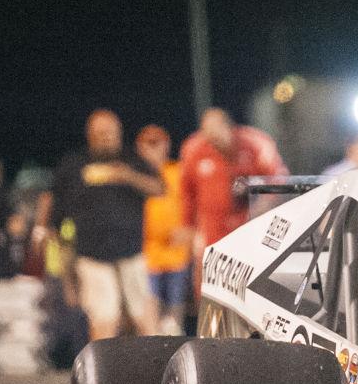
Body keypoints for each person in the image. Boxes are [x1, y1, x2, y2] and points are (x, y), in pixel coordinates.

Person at [45, 109, 164, 340]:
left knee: (144, 319)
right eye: (100, 133)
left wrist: (128, 176)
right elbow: (56, 215)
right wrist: (67, 273)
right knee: (104, 319)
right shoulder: (74, 165)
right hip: (93, 256)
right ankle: (102, 372)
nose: (106, 138)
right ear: (90, 135)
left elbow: (159, 188)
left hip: (131, 252)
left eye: (110, 133)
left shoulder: (131, 160)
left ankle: (153, 370)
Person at [179, 108, 287, 253]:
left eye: (216, 136)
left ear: (228, 127)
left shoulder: (254, 143)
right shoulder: (195, 149)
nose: (214, 143)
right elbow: (187, 192)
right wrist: (188, 225)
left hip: (249, 226)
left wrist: (264, 204)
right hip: (213, 230)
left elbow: (278, 179)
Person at [137, 125, 190, 335]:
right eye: (148, 144)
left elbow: (192, 204)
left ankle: (175, 346)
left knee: (175, 309)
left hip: (176, 253)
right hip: (146, 254)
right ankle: (154, 350)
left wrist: (188, 229)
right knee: (149, 308)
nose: (153, 149)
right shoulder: (137, 175)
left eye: (157, 143)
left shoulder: (178, 172)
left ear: (166, 145)